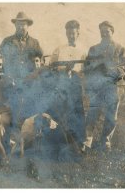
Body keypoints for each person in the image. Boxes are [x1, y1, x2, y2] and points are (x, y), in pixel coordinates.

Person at [0, 12, 43, 154]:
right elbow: (0, 61)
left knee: (27, 112)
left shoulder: (34, 43)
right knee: (12, 111)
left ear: (28, 25)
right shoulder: (7, 41)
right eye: (18, 24)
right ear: (15, 25)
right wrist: (7, 78)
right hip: (12, 83)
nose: (21, 26)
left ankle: (27, 142)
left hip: (29, 84)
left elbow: (40, 63)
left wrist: (33, 76)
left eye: (24, 24)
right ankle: (11, 143)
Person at [82, 21, 125, 152]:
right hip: (97, 87)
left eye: (107, 31)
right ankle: (88, 140)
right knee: (92, 113)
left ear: (112, 32)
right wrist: (96, 68)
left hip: (114, 87)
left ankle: (105, 141)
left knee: (111, 116)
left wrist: (115, 72)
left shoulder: (120, 49)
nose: (104, 33)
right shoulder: (93, 49)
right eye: (102, 31)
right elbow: (86, 67)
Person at [49, 20, 87, 155]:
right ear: (66, 33)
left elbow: (85, 70)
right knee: (60, 111)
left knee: (77, 112)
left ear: (78, 33)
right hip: (61, 82)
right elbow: (51, 67)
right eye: (69, 32)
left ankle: (79, 142)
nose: (71, 35)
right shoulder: (59, 49)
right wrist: (63, 71)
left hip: (75, 83)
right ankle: (60, 141)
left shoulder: (83, 50)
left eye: (74, 33)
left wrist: (73, 71)